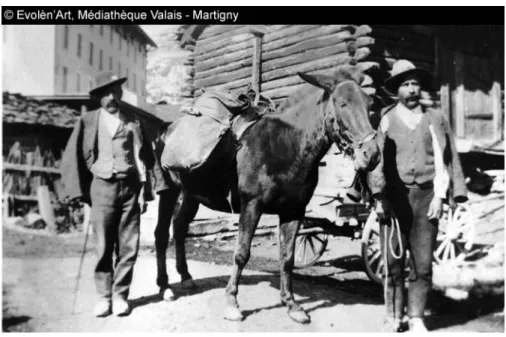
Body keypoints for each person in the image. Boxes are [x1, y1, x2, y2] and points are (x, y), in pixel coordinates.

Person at [367, 60, 468, 332]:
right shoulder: (386, 119)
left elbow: (445, 159)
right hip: (395, 200)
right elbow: (376, 163)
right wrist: (380, 198)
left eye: (414, 83)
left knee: (422, 264)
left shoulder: (435, 118)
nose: (411, 89)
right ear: (396, 90)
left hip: (426, 200)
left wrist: (440, 196)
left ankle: (416, 317)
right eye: (405, 84)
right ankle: (393, 315)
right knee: (392, 264)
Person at [60, 71, 157, 317]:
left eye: (116, 92)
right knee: (103, 246)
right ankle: (103, 298)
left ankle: (120, 296)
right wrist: (77, 192)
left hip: (130, 189)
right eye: (106, 93)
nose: (112, 97)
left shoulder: (133, 121)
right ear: (98, 98)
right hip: (101, 188)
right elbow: (72, 156)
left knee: (128, 246)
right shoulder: (88, 120)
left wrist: (145, 191)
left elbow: (141, 157)